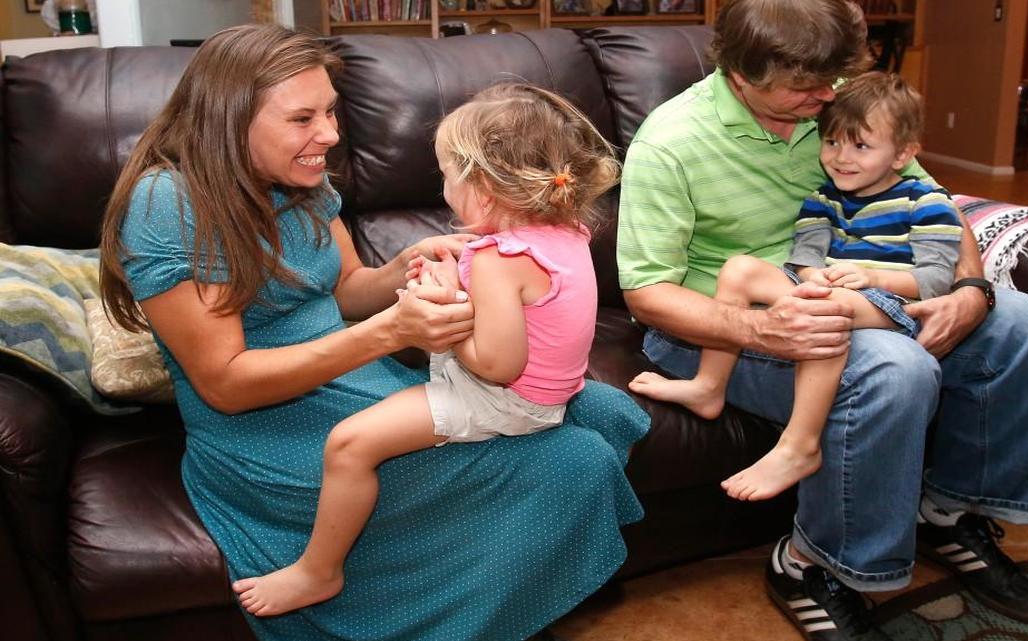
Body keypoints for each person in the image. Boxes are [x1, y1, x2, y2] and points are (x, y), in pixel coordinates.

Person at [99, 25, 648, 641]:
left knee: (598, 406)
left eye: (330, 110)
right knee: (570, 458)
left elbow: (344, 288)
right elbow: (225, 384)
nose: (329, 136)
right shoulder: (168, 206)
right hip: (262, 423)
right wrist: (390, 333)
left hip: (352, 372)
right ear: (229, 121)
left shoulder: (301, 177)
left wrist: (403, 267)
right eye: (302, 118)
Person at [616, 0, 1028, 638]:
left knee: (1023, 323)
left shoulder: (838, 97)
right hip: (721, 326)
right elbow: (647, 294)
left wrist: (970, 287)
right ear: (742, 74)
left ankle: (946, 513)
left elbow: (933, 200)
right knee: (893, 369)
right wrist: (759, 329)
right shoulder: (670, 141)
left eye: (832, 80)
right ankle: (811, 563)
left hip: (845, 285)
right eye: (804, 87)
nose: (825, 97)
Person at [229, 83, 621, 617]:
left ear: (482, 190)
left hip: (505, 399)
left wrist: (447, 320)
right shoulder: (565, 232)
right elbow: (525, 314)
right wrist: (454, 289)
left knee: (349, 445)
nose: (442, 188)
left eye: (446, 175)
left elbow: (500, 365)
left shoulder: (496, 259)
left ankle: (317, 572)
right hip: (549, 392)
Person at [628, 72, 963, 502]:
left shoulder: (925, 202)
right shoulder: (824, 198)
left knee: (821, 314)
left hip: (894, 299)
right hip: (836, 288)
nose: (841, 157)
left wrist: (874, 278)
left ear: (903, 154)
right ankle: (709, 387)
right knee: (740, 270)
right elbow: (804, 255)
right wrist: (810, 278)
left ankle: (799, 445)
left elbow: (935, 279)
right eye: (832, 142)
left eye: (860, 146)